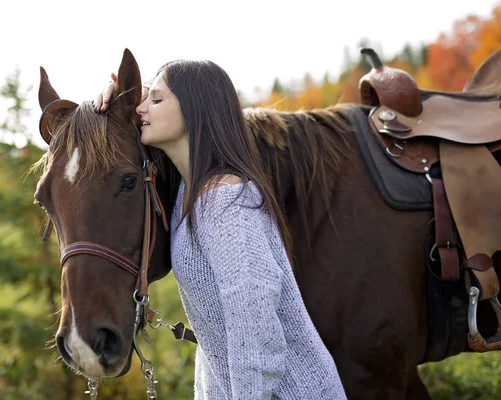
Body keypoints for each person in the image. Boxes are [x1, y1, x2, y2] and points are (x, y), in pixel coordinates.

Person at [94, 60, 347, 400]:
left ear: (195, 109)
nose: (141, 108)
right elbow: (218, 340)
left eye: (155, 100)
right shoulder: (189, 192)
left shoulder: (224, 201)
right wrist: (122, 98)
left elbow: (255, 331)